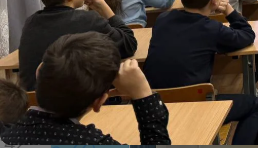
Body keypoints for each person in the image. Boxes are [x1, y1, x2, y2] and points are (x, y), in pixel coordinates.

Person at [143, 0, 258, 145]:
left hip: (156, 104)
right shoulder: (212, 29)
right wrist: (229, 10)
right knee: (254, 105)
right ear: (215, 0)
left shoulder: (162, 20)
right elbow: (247, 35)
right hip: (197, 105)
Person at [1, 33, 170, 145]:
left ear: (39, 72)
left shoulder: (7, 136)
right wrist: (143, 96)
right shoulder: (93, 143)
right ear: (99, 102)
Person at [19, 0, 137, 91]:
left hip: (36, 100)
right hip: (78, 100)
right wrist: (104, 7)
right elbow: (129, 44)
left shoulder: (30, 22)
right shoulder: (89, 20)